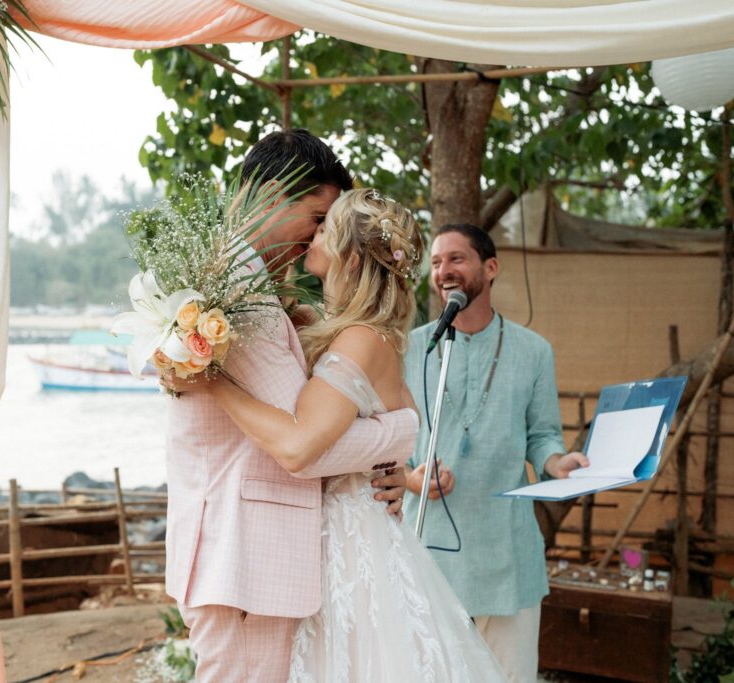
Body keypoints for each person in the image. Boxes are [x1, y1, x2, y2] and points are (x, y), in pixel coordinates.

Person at [170, 190, 509, 682]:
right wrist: (396, 440)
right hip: (337, 535)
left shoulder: (361, 337)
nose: (314, 232)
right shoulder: (346, 329)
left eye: (326, 227)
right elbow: (397, 412)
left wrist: (211, 379)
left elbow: (299, 446)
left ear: (349, 257)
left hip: (350, 545)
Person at [159, 130, 416, 683]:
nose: (317, 236)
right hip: (244, 559)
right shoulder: (236, 290)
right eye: (316, 217)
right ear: (273, 194)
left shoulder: (249, 285)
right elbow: (305, 444)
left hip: (254, 560)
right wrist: (398, 435)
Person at [403, 223, 590, 682]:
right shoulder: (410, 348)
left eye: (456, 258)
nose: (444, 270)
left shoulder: (534, 351)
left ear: (491, 268)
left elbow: (543, 434)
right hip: (427, 549)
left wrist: (556, 462)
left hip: (506, 554)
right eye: (435, 262)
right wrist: (412, 477)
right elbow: (390, 441)